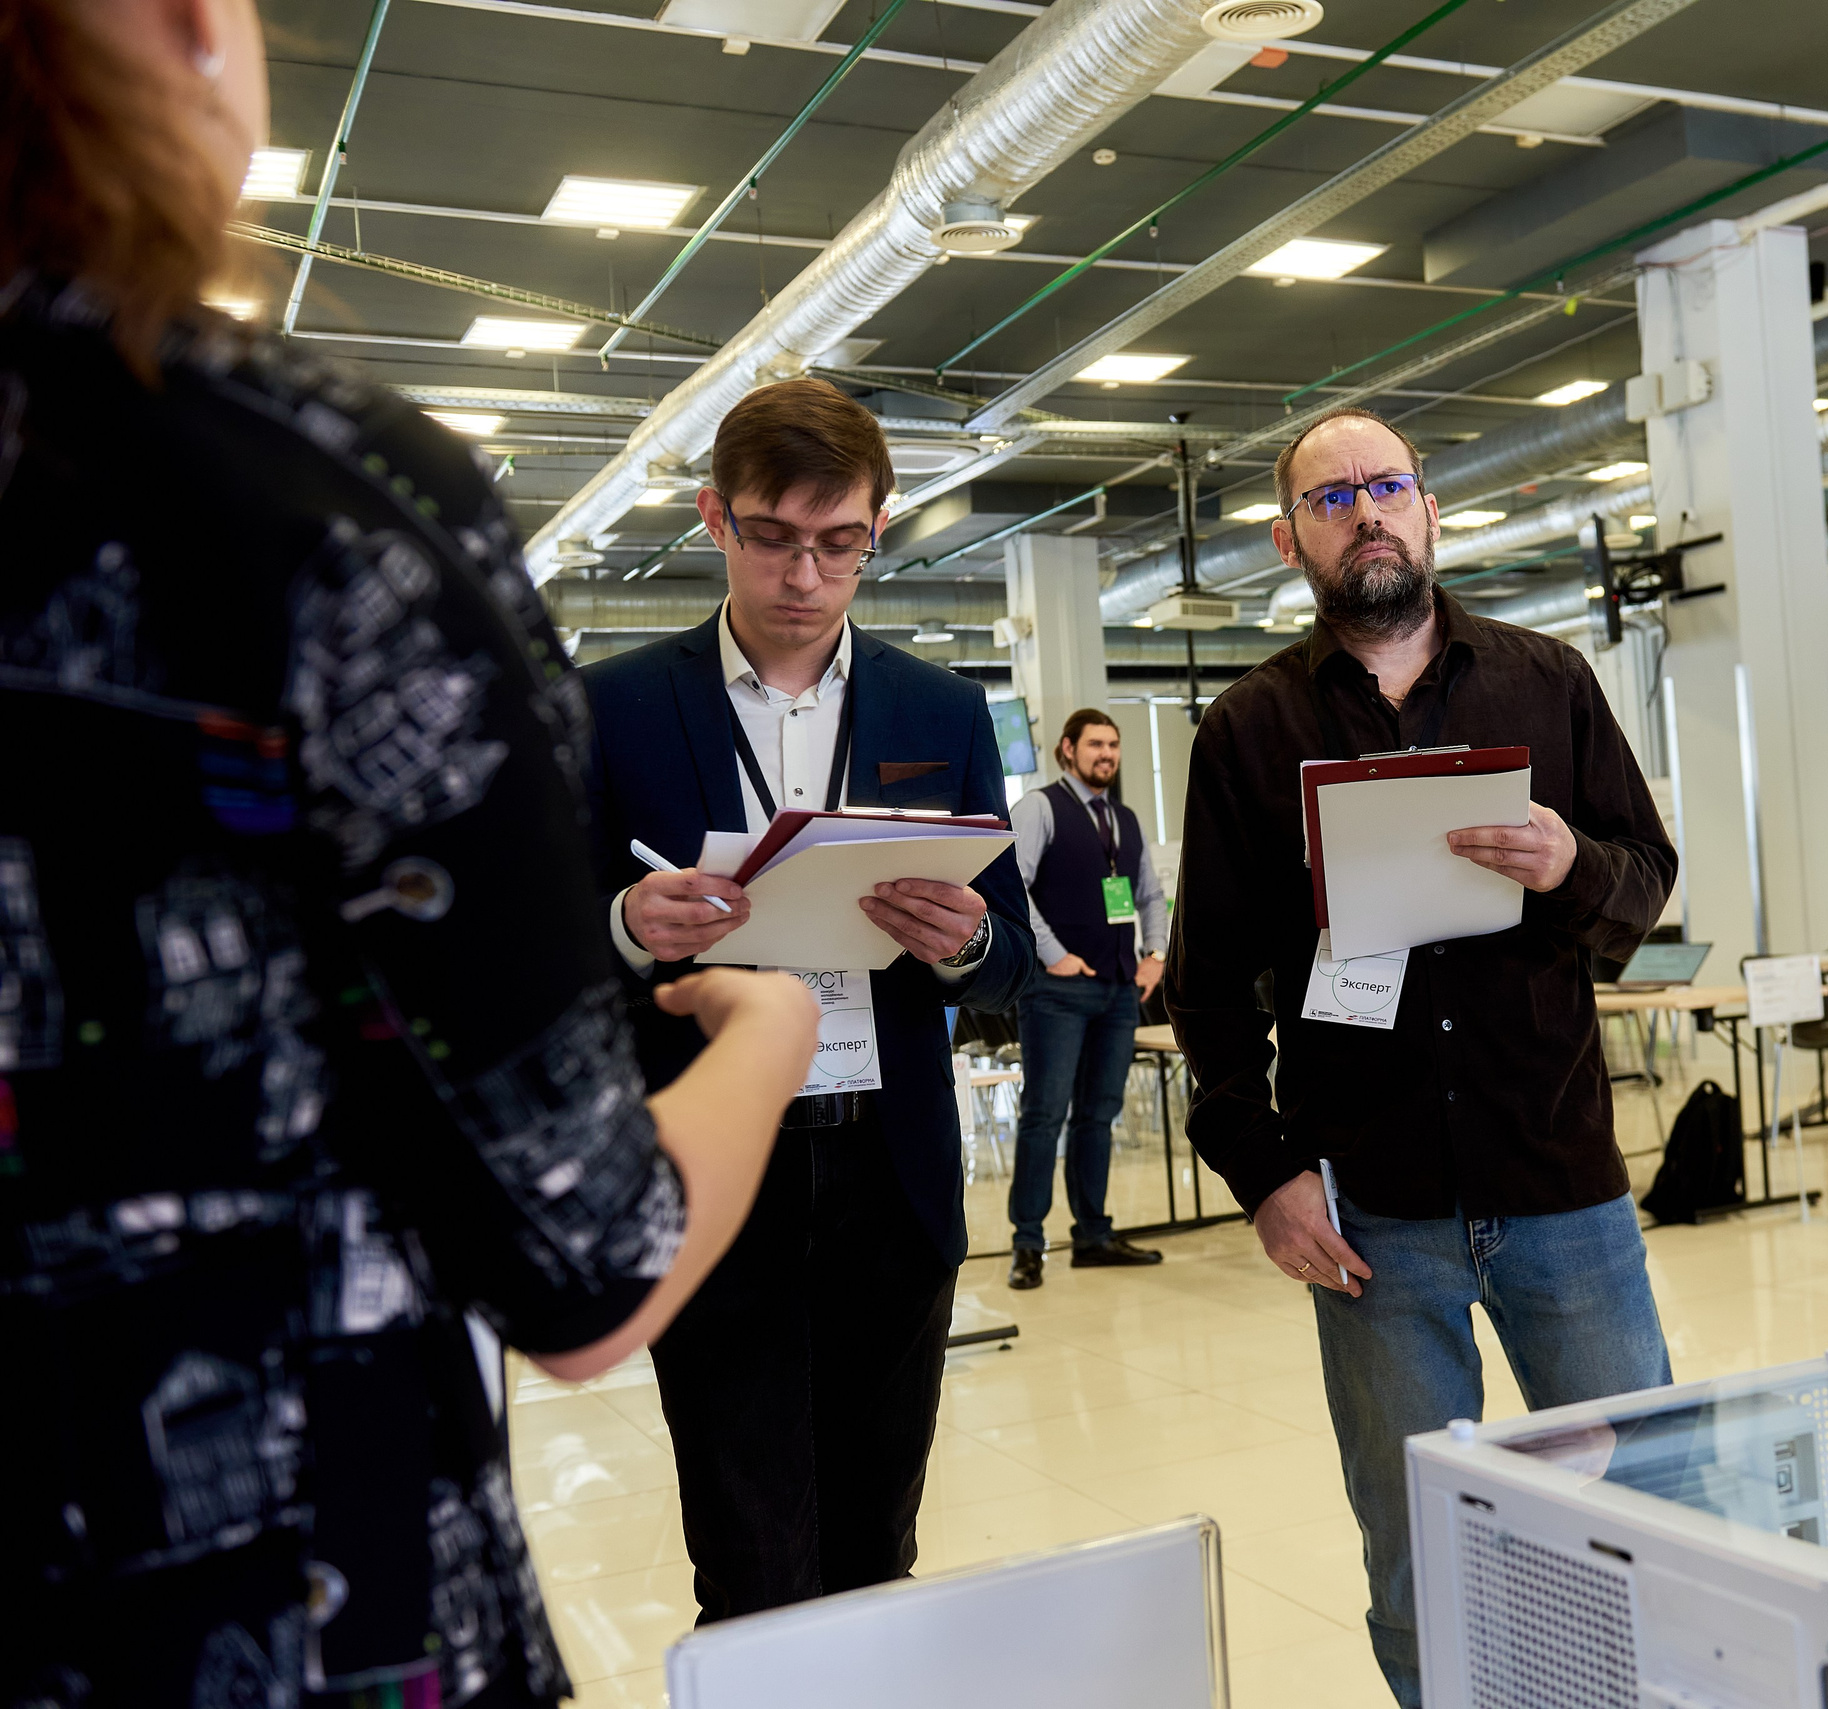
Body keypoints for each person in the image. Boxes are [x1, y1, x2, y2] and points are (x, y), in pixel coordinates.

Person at [0, 1, 816, 1702]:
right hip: (279, 1612)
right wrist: (774, 1027)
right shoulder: (306, 502)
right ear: (173, 30)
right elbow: (584, 1265)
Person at [1167, 406, 1679, 1708]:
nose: (1368, 512)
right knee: (1417, 1558)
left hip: (1562, 1185)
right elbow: (1212, 984)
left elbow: (1646, 873)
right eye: (1333, 499)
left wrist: (1571, 863)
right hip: (1371, 1213)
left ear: (1433, 511)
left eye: (1388, 485)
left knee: (1651, 1519)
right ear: (1292, 540)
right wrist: (1264, 1170)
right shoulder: (1246, 729)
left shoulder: (1548, 682)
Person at [581, 377, 1034, 1622]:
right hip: (718, 1171)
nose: (805, 573)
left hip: (889, 1175)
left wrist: (964, 939)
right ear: (714, 520)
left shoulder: (938, 711)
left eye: (840, 543)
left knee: (877, 1548)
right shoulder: (613, 708)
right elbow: (531, 952)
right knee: (748, 1554)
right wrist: (624, 925)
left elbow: (1012, 961)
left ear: (877, 529)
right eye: (773, 537)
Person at [1005, 707, 1169, 1287]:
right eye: (1095, 744)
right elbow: (1010, 887)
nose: (1107, 754)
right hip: (1058, 990)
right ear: (1067, 750)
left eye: (1114, 745)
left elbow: (1149, 894)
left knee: (1099, 1116)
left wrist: (1155, 954)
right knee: (1044, 1115)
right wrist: (1052, 953)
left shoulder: (1123, 816)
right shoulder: (1039, 807)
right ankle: (1027, 1242)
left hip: (1119, 990)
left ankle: (1093, 1234)